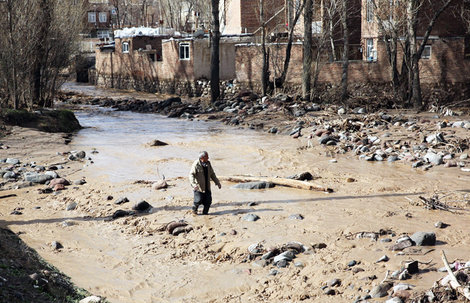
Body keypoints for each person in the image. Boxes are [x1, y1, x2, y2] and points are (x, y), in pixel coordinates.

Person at [189, 151, 221, 215]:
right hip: (199, 187)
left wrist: (217, 182)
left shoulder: (208, 164)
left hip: (207, 186)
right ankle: (194, 210)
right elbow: (191, 175)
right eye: (207, 157)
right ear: (202, 158)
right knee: (198, 200)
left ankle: (205, 213)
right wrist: (194, 184)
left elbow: (212, 174)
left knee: (208, 201)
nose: (208, 158)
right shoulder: (196, 164)